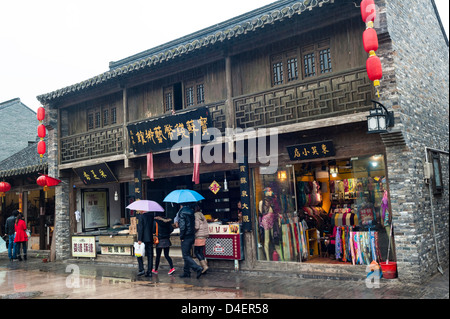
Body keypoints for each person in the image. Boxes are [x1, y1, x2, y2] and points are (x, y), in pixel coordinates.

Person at [178, 203, 203, 279]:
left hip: (186, 236)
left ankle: (197, 268)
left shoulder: (182, 212)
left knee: (185, 255)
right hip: (192, 235)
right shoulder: (192, 212)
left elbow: (182, 226)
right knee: (187, 254)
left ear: (181, 205)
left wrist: (181, 236)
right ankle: (186, 272)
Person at [136, 210, 154, 277]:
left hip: (143, 239)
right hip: (150, 238)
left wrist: (139, 239)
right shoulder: (151, 216)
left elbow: (141, 228)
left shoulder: (141, 216)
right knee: (150, 255)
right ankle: (149, 272)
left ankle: (141, 269)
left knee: (138, 254)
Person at [194, 205, 209, 274]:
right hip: (204, 236)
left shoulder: (195, 216)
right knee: (201, 252)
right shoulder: (202, 215)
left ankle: (204, 266)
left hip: (198, 236)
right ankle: (204, 267)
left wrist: (191, 229)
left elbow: (196, 227)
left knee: (196, 252)